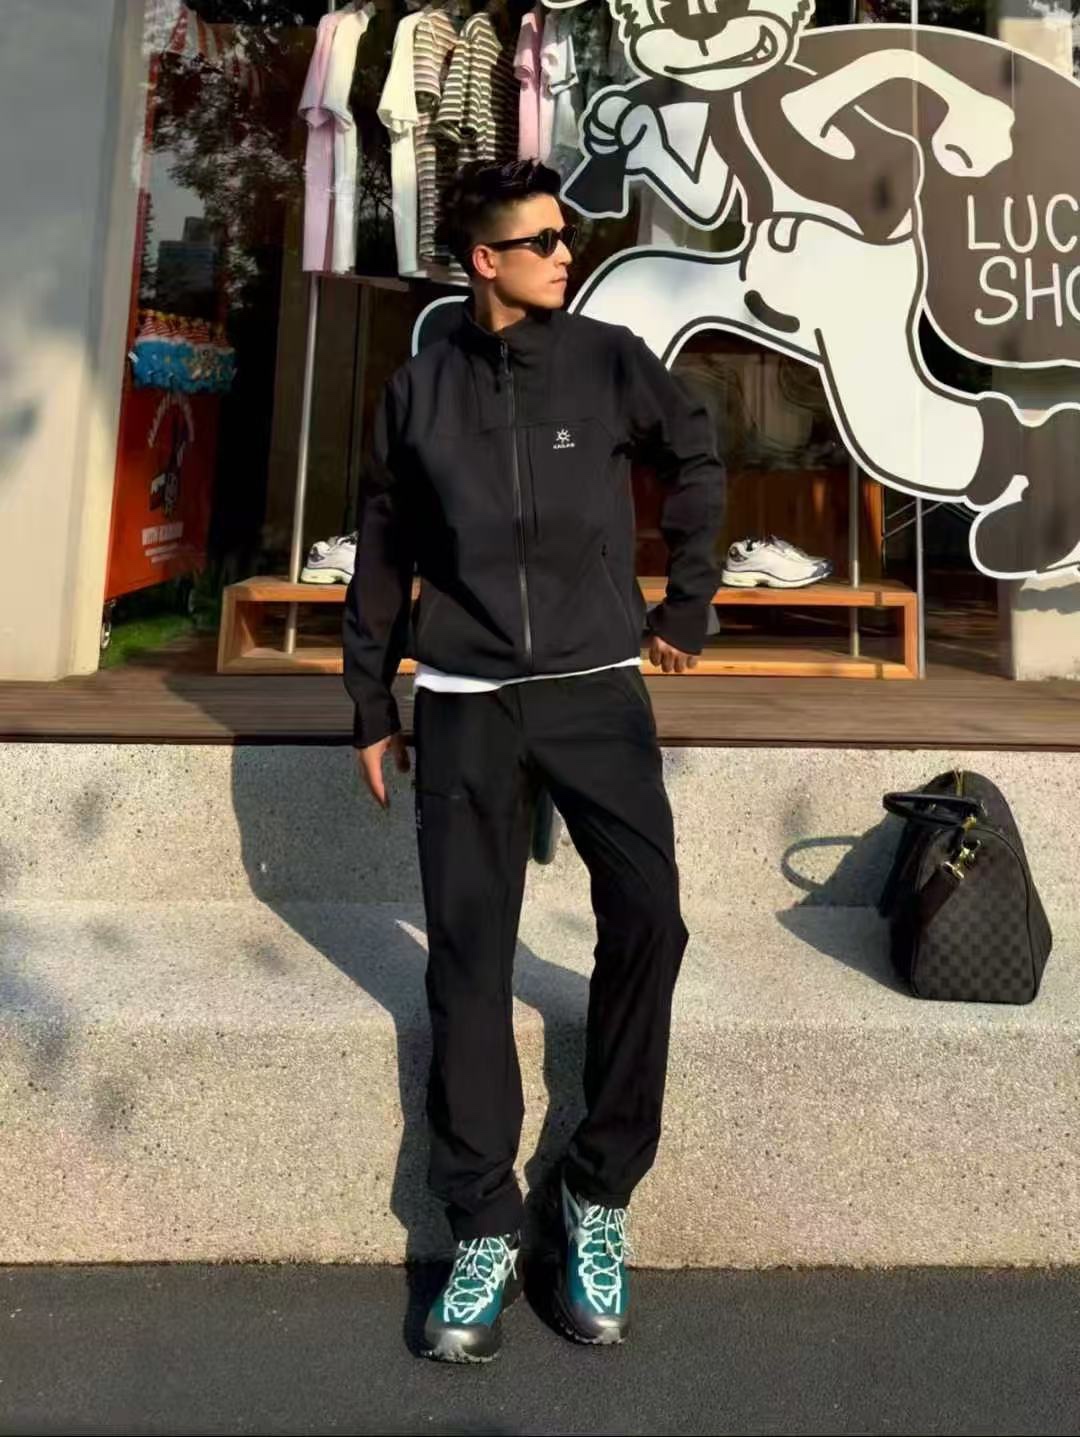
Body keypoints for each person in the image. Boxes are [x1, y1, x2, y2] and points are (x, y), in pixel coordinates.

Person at [342, 158, 724, 1363]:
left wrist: (688, 605)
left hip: (595, 691)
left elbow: (697, 455)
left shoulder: (606, 360)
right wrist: (370, 702)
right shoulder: (417, 390)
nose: (568, 254)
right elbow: (383, 546)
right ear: (485, 260)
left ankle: (597, 1193)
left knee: (651, 918)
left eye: (567, 236)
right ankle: (483, 1227)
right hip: (465, 704)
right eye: (544, 240)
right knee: (468, 960)